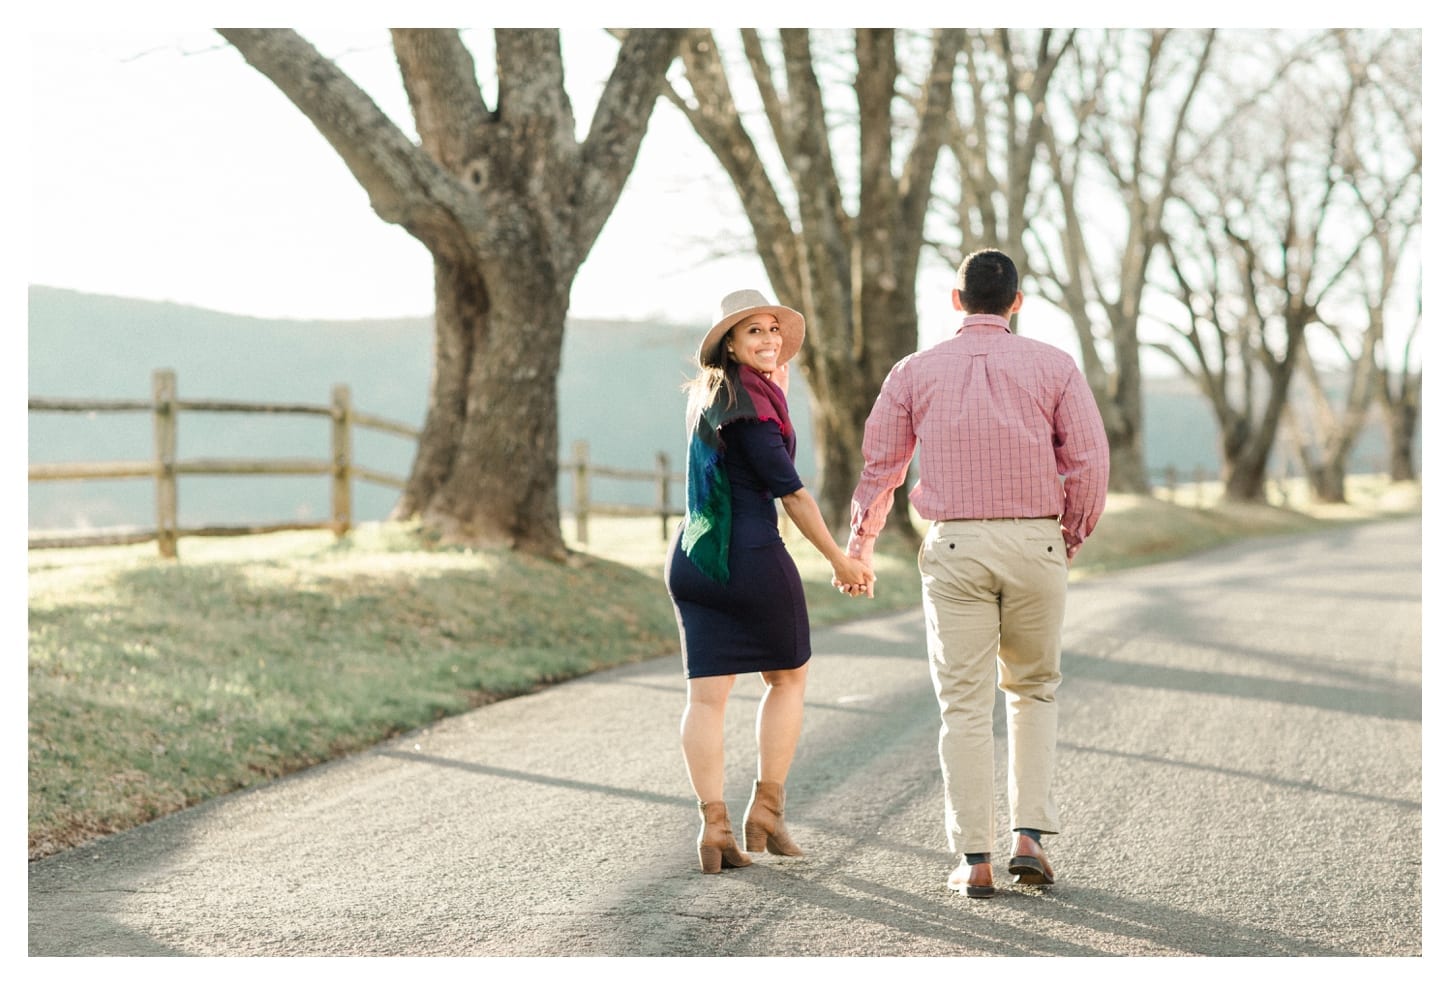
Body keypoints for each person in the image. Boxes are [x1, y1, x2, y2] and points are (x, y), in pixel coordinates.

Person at [841, 249, 1109, 898]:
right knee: (1034, 689)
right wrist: (1065, 536)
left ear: (956, 301)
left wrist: (861, 545)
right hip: (1036, 541)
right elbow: (1090, 463)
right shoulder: (1056, 366)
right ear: (1016, 301)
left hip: (956, 545)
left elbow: (883, 467)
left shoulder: (914, 371)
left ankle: (975, 858)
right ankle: (1029, 838)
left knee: (963, 704)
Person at [665, 288, 874, 874]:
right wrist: (841, 559)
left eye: (773, 329)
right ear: (729, 342)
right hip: (750, 556)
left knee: (706, 696)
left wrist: (774, 387)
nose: (769, 339)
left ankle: (715, 828)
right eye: (752, 331)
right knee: (787, 678)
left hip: (693, 558)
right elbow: (793, 493)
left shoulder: (713, 395)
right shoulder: (753, 408)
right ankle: (767, 811)